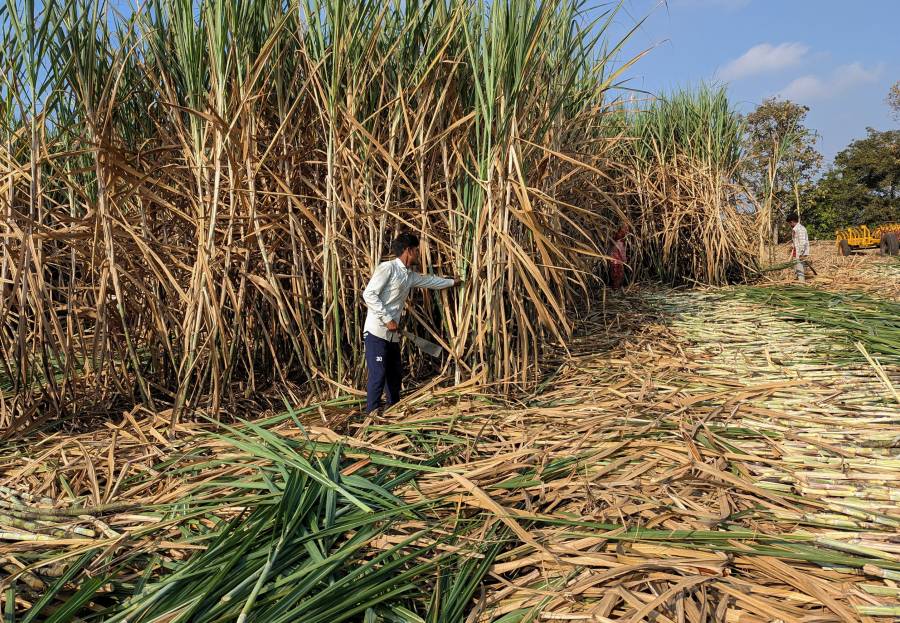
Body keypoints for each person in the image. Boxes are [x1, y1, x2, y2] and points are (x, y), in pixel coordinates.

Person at [362, 232, 460, 417]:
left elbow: (429, 281)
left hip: (392, 335)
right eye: (416, 250)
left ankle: (393, 411)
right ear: (408, 250)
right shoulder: (388, 268)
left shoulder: (408, 276)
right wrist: (387, 319)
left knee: (394, 374)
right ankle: (371, 416)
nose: (418, 254)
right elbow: (369, 294)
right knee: (378, 374)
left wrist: (452, 282)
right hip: (376, 332)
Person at [787, 213, 810, 282]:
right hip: (796, 251)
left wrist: (801, 253)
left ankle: (801, 282)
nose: (789, 225)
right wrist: (792, 246)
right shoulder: (795, 229)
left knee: (799, 267)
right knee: (796, 266)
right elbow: (796, 241)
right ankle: (798, 280)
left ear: (792, 221)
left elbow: (802, 242)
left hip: (800, 252)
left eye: (789, 223)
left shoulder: (800, 229)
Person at [608, 225, 629, 289]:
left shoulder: (613, 241)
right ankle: (616, 287)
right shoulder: (620, 242)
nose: (625, 233)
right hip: (618, 262)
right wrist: (625, 260)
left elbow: (610, 251)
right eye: (623, 231)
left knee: (614, 274)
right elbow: (622, 252)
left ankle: (615, 286)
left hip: (613, 261)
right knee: (618, 275)